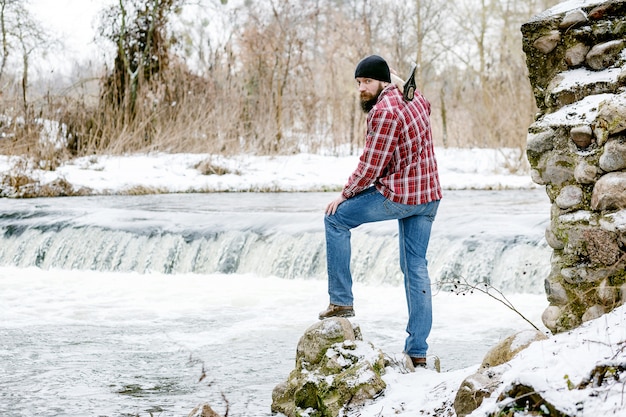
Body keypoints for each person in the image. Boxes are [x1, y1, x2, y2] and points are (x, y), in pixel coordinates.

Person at [318, 54, 442, 369]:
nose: (362, 88)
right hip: (428, 196)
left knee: (335, 219)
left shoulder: (384, 112)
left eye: (368, 82)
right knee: (416, 268)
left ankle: (341, 302)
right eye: (359, 82)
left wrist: (344, 195)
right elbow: (423, 103)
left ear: (381, 82)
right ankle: (418, 352)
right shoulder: (413, 99)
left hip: (401, 196)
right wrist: (398, 81)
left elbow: (370, 167)